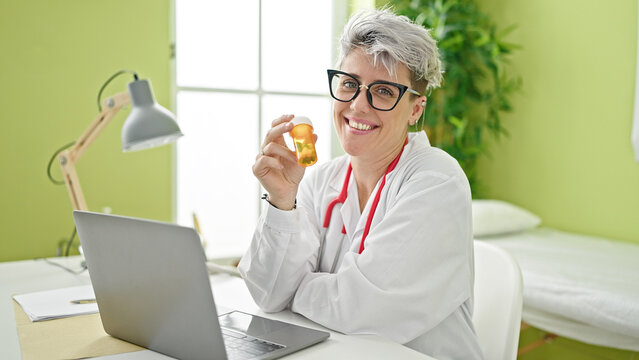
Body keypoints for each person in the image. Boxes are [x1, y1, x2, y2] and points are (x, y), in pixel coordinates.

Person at [238, 8, 484, 360]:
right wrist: (282, 202)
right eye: (349, 84)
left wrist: (294, 289)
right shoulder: (319, 180)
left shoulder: (436, 181)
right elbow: (266, 293)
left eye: (383, 91)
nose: (357, 105)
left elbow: (364, 313)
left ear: (416, 109)